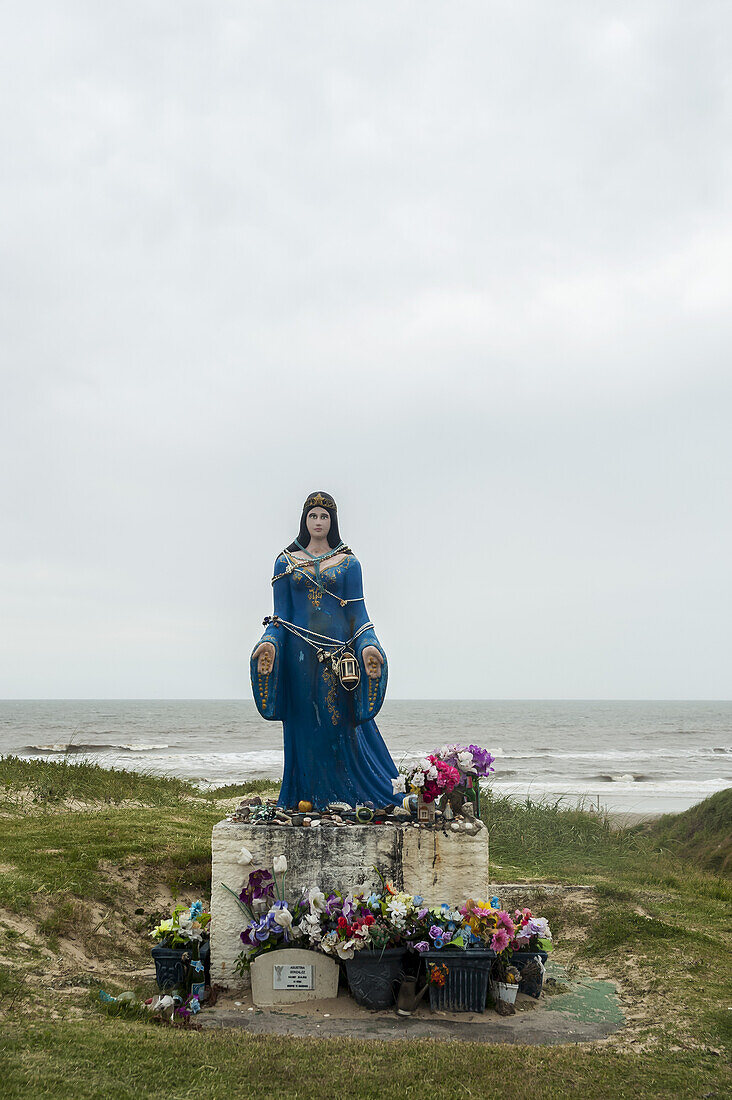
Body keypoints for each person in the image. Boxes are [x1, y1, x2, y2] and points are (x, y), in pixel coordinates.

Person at [251, 491, 398, 809]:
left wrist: (369, 646)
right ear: (304, 520)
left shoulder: (349, 564)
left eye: (324, 516)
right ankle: (305, 797)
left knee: (338, 726)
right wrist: (268, 643)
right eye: (313, 516)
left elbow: (359, 615)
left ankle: (348, 796)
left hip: (339, 658)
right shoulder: (285, 562)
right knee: (304, 727)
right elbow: (280, 617)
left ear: (333, 522)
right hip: (298, 660)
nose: (318, 522)